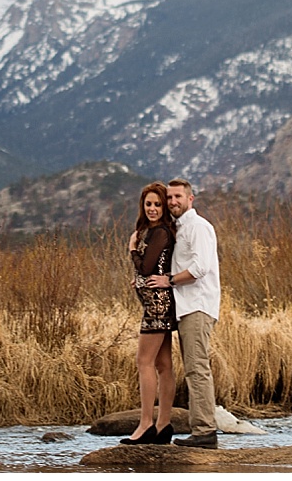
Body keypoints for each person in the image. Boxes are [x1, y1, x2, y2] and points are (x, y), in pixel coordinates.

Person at [148, 177, 221, 448]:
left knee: (197, 368)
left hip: (198, 306)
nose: (173, 202)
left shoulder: (199, 227)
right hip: (186, 308)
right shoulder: (178, 228)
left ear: (190, 199)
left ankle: (205, 433)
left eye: (178, 197)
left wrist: (169, 280)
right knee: (193, 368)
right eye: (170, 198)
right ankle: (203, 430)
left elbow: (200, 268)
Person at [121, 182, 178, 445]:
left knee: (143, 361)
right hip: (157, 302)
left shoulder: (161, 233)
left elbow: (146, 267)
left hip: (157, 305)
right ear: (142, 206)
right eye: (149, 204)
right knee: (163, 365)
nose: (153, 209)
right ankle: (164, 425)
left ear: (164, 207)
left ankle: (146, 424)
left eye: (157, 204)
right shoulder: (154, 231)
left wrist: (132, 249)